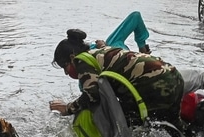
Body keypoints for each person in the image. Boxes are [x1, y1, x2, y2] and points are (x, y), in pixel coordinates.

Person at [50, 29, 184, 127]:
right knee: (173, 124)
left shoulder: (81, 61)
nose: (66, 73)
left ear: (72, 58)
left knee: (118, 122)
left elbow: (92, 94)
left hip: (155, 84)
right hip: (174, 76)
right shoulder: (100, 52)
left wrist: (68, 108)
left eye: (65, 67)